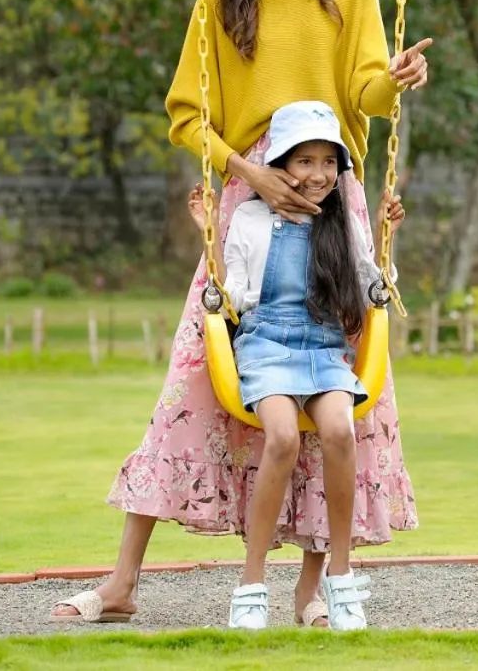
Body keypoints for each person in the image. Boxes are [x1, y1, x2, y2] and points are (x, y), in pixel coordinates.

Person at [51, 0, 430, 627]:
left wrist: (391, 82)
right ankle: (122, 584)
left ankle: (312, 589)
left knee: (343, 393)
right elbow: (187, 116)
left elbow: (360, 92)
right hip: (247, 207)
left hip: (331, 197)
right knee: (195, 383)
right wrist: (250, 174)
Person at [189, 101, 403, 630]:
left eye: (329, 162)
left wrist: (381, 231)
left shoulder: (343, 223)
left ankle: (342, 575)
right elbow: (233, 296)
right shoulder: (249, 218)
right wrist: (207, 237)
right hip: (265, 345)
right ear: (282, 162)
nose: (318, 174)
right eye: (305, 161)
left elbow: (373, 285)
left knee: (340, 431)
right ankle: (252, 581)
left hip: (323, 346)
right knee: (281, 437)